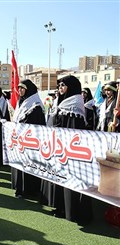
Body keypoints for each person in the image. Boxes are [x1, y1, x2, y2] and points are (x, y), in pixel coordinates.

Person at [41, 75, 93, 225]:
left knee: (69, 179)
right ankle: (59, 207)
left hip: (69, 151)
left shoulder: (75, 106)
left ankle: (70, 210)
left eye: (63, 85)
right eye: (60, 86)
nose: (60, 88)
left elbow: (72, 130)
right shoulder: (60, 103)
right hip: (57, 149)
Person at [10, 79, 46, 198]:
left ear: (28, 90)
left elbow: (34, 125)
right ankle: (19, 188)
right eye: (18, 88)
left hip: (30, 143)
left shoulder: (35, 105)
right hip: (19, 142)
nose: (19, 90)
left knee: (28, 166)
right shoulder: (22, 102)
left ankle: (28, 191)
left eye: (22, 88)